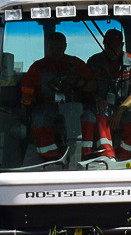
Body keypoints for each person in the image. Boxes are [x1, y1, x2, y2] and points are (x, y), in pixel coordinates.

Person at [20, 32, 96, 163]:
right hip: (47, 107)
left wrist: (78, 82)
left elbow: (93, 86)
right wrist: (27, 99)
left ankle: (83, 156)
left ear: (65, 47)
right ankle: (51, 158)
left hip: (74, 106)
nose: (55, 52)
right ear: (47, 47)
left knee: (89, 117)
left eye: (59, 48)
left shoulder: (76, 64)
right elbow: (26, 91)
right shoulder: (37, 68)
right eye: (52, 48)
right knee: (39, 117)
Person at [84, 28, 131, 162]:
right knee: (97, 112)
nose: (111, 51)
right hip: (102, 105)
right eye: (108, 47)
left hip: (124, 107)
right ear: (104, 45)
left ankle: (123, 156)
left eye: (114, 47)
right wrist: (97, 98)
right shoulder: (94, 62)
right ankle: (107, 156)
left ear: (122, 45)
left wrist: (121, 110)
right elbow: (87, 87)